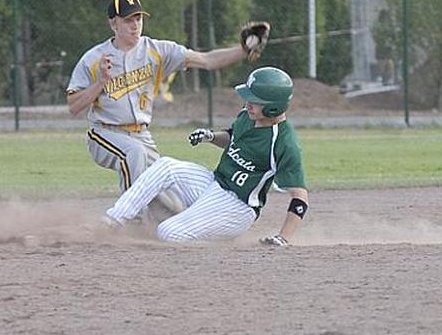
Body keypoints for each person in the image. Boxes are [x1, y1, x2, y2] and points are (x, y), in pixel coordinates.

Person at [67, 0, 261, 216]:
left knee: (172, 206)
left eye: (138, 19)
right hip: (104, 133)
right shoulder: (94, 58)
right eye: (128, 20)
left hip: (142, 135)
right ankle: (131, 220)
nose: (135, 25)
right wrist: (100, 82)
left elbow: (207, 60)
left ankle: (159, 224)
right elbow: (73, 106)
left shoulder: (157, 51)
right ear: (113, 23)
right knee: (134, 154)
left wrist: (243, 50)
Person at [102, 66, 308, 246]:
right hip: (214, 184)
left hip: (238, 207)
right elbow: (233, 137)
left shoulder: (284, 143)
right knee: (165, 166)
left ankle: (216, 232)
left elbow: (300, 198)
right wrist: (211, 137)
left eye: (254, 101)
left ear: (274, 106)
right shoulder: (248, 115)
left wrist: (283, 237)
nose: (247, 103)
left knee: (168, 232)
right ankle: (114, 220)